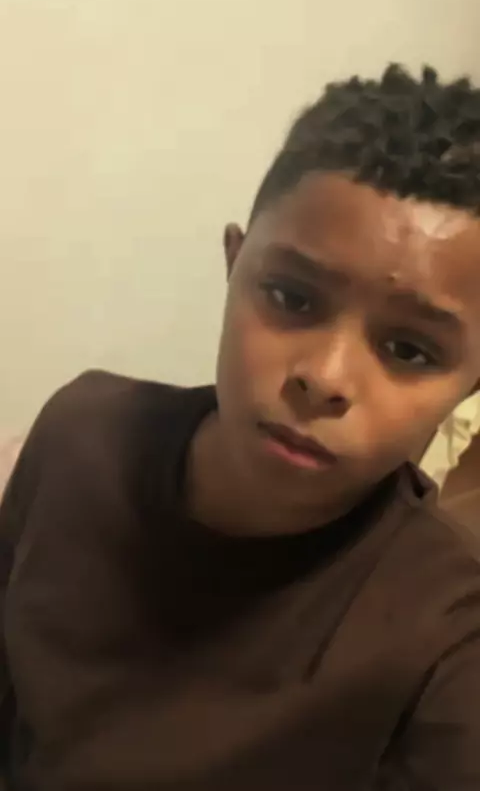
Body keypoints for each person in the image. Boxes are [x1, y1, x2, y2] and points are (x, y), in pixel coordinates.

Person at [1, 63, 480, 790]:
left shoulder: (447, 636)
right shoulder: (82, 431)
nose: (324, 377)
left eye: (409, 350)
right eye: (291, 297)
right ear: (234, 261)